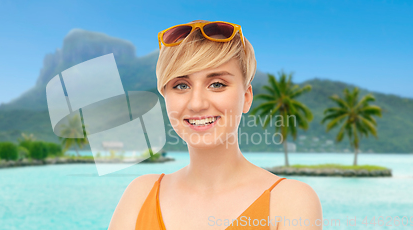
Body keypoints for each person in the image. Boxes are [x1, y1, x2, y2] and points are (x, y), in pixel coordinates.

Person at [108, 19, 322, 230]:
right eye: (181, 85)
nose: (197, 103)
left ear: (247, 97)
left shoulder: (289, 202)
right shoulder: (141, 194)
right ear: (165, 97)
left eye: (217, 84)